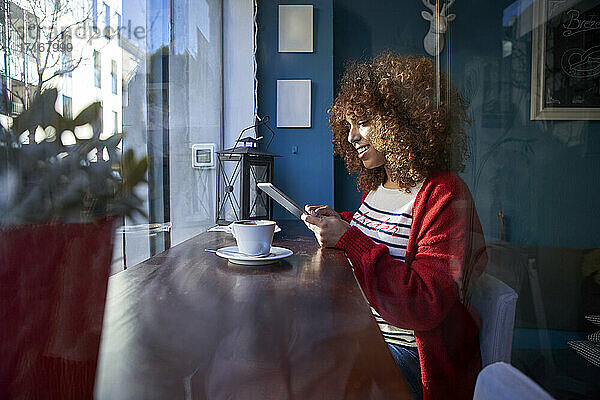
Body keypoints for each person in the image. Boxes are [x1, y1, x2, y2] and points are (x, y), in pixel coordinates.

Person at [302, 53, 488, 400]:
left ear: (401, 118)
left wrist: (351, 240)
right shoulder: (377, 187)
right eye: (347, 125)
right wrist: (340, 222)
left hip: (413, 358)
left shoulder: (444, 194)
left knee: (311, 374)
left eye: (363, 122)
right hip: (366, 334)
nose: (352, 135)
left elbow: (426, 302)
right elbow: (382, 239)